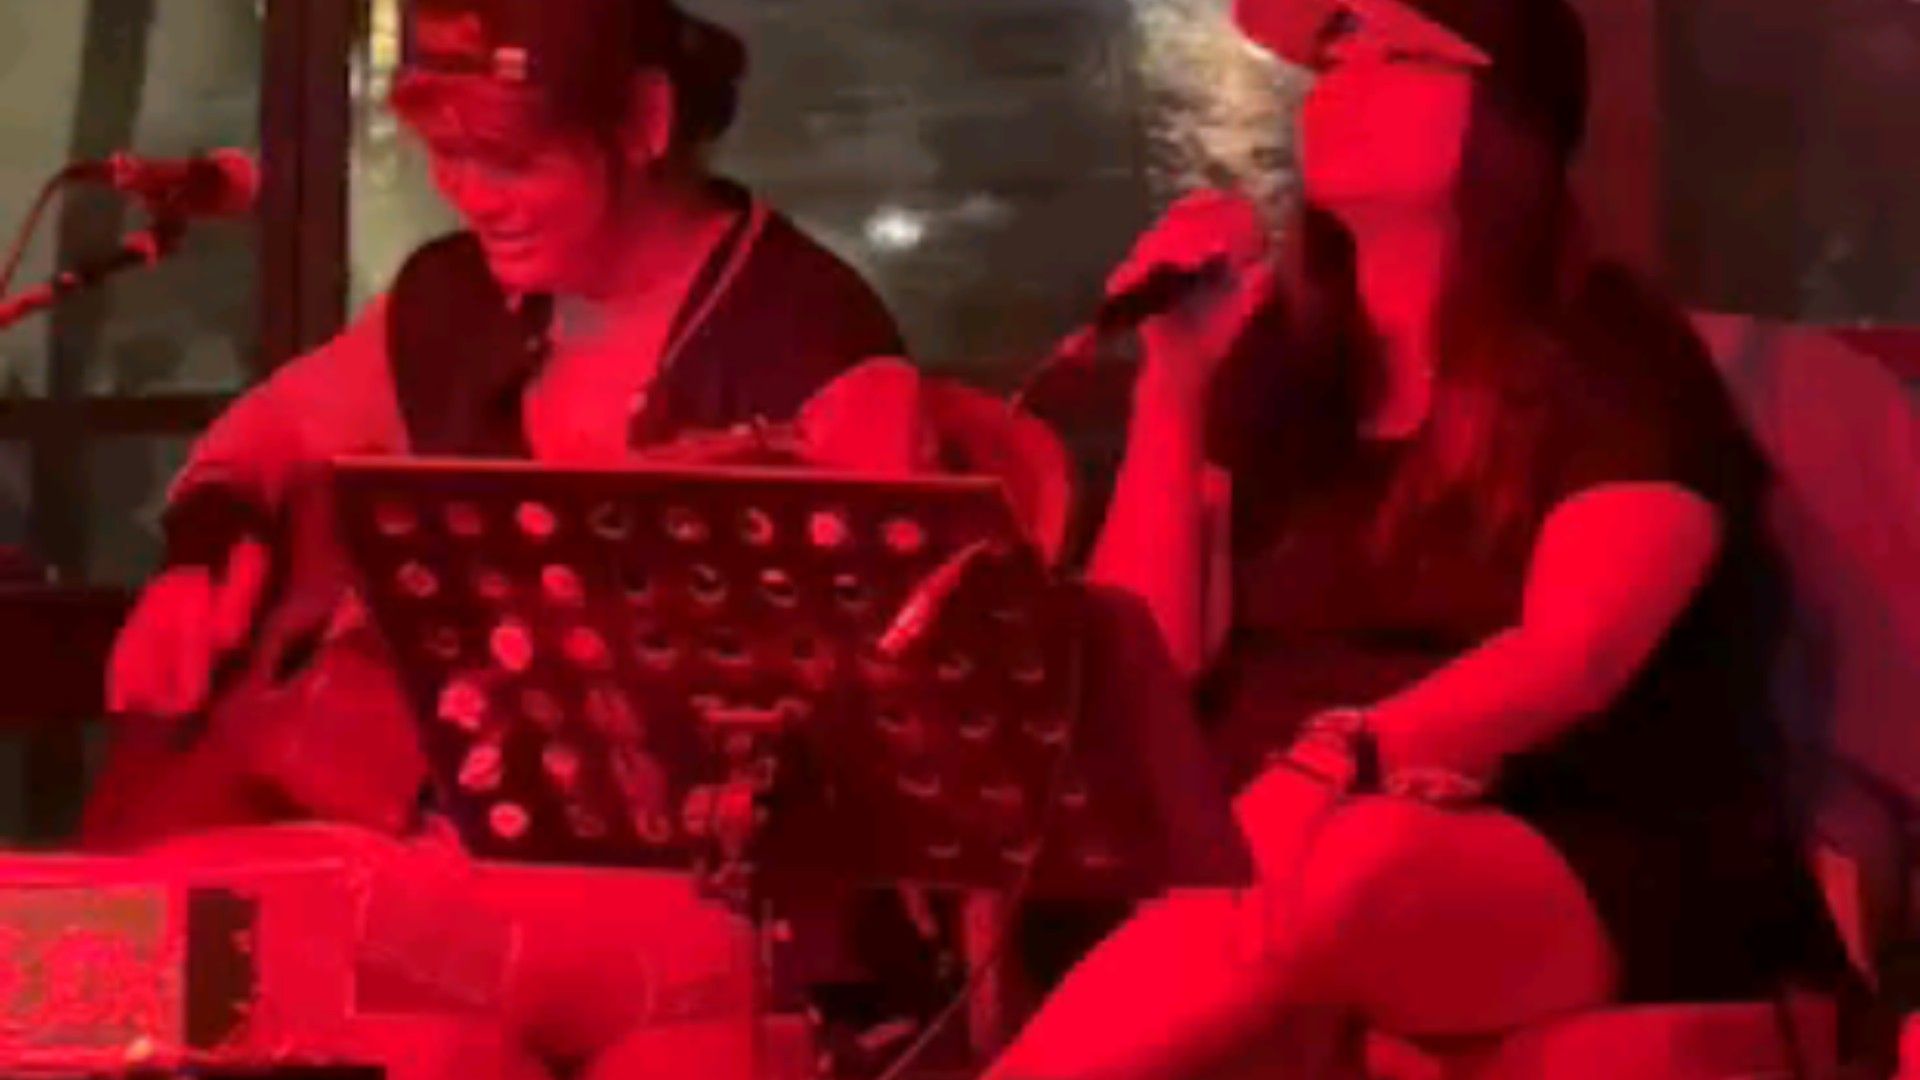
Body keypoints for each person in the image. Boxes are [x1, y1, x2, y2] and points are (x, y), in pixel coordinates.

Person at [991, 0, 1850, 1075]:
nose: (1343, 84)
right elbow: (1150, 658)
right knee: (1235, 868)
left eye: (1395, 55)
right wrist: (1172, 387)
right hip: (1267, 837)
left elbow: (1576, 653)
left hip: (1566, 836)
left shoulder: (1613, 360)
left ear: (1509, 118)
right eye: (1334, 58)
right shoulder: (1279, 367)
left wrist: (1342, 757)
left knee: (1348, 864)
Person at [83, 0, 912, 1075]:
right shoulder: (456, 298)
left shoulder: (812, 344)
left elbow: (887, 712)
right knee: (118, 942)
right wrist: (206, 555)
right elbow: (273, 433)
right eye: (449, 159)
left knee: (174, 953)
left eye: (511, 162)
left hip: (706, 904)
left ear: (644, 121)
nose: (472, 196)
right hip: (446, 858)